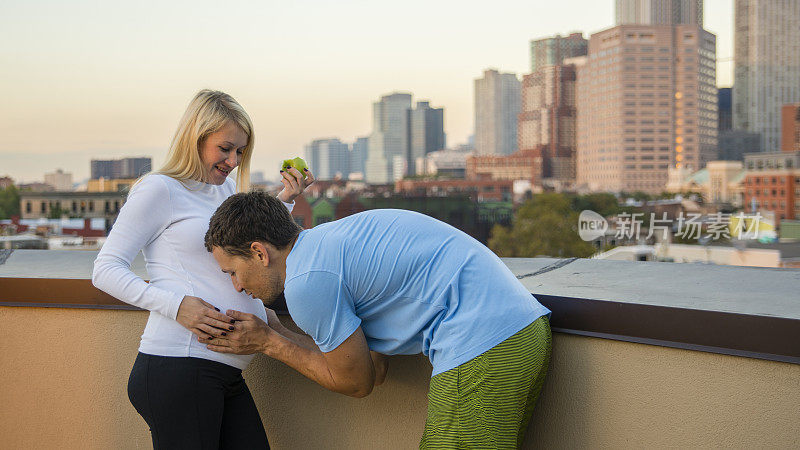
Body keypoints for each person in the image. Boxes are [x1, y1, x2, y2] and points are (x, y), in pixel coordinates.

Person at [201, 191, 552, 449]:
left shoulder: (306, 282)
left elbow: (357, 383)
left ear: (259, 253)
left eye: (233, 271)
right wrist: (276, 331)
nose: (236, 286)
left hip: (482, 345)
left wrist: (268, 342)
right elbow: (371, 366)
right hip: (522, 332)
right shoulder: (329, 244)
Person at [92, 90, 314, 450]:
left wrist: (284, 202)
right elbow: (105, 270)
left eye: (240, 151)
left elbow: (246, 249)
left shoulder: (223, 190)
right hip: (180, 365)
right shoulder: (159, 189)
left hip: (222, 371)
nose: (233, 160)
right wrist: (177, 305)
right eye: (225, 148)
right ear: (196, 137)